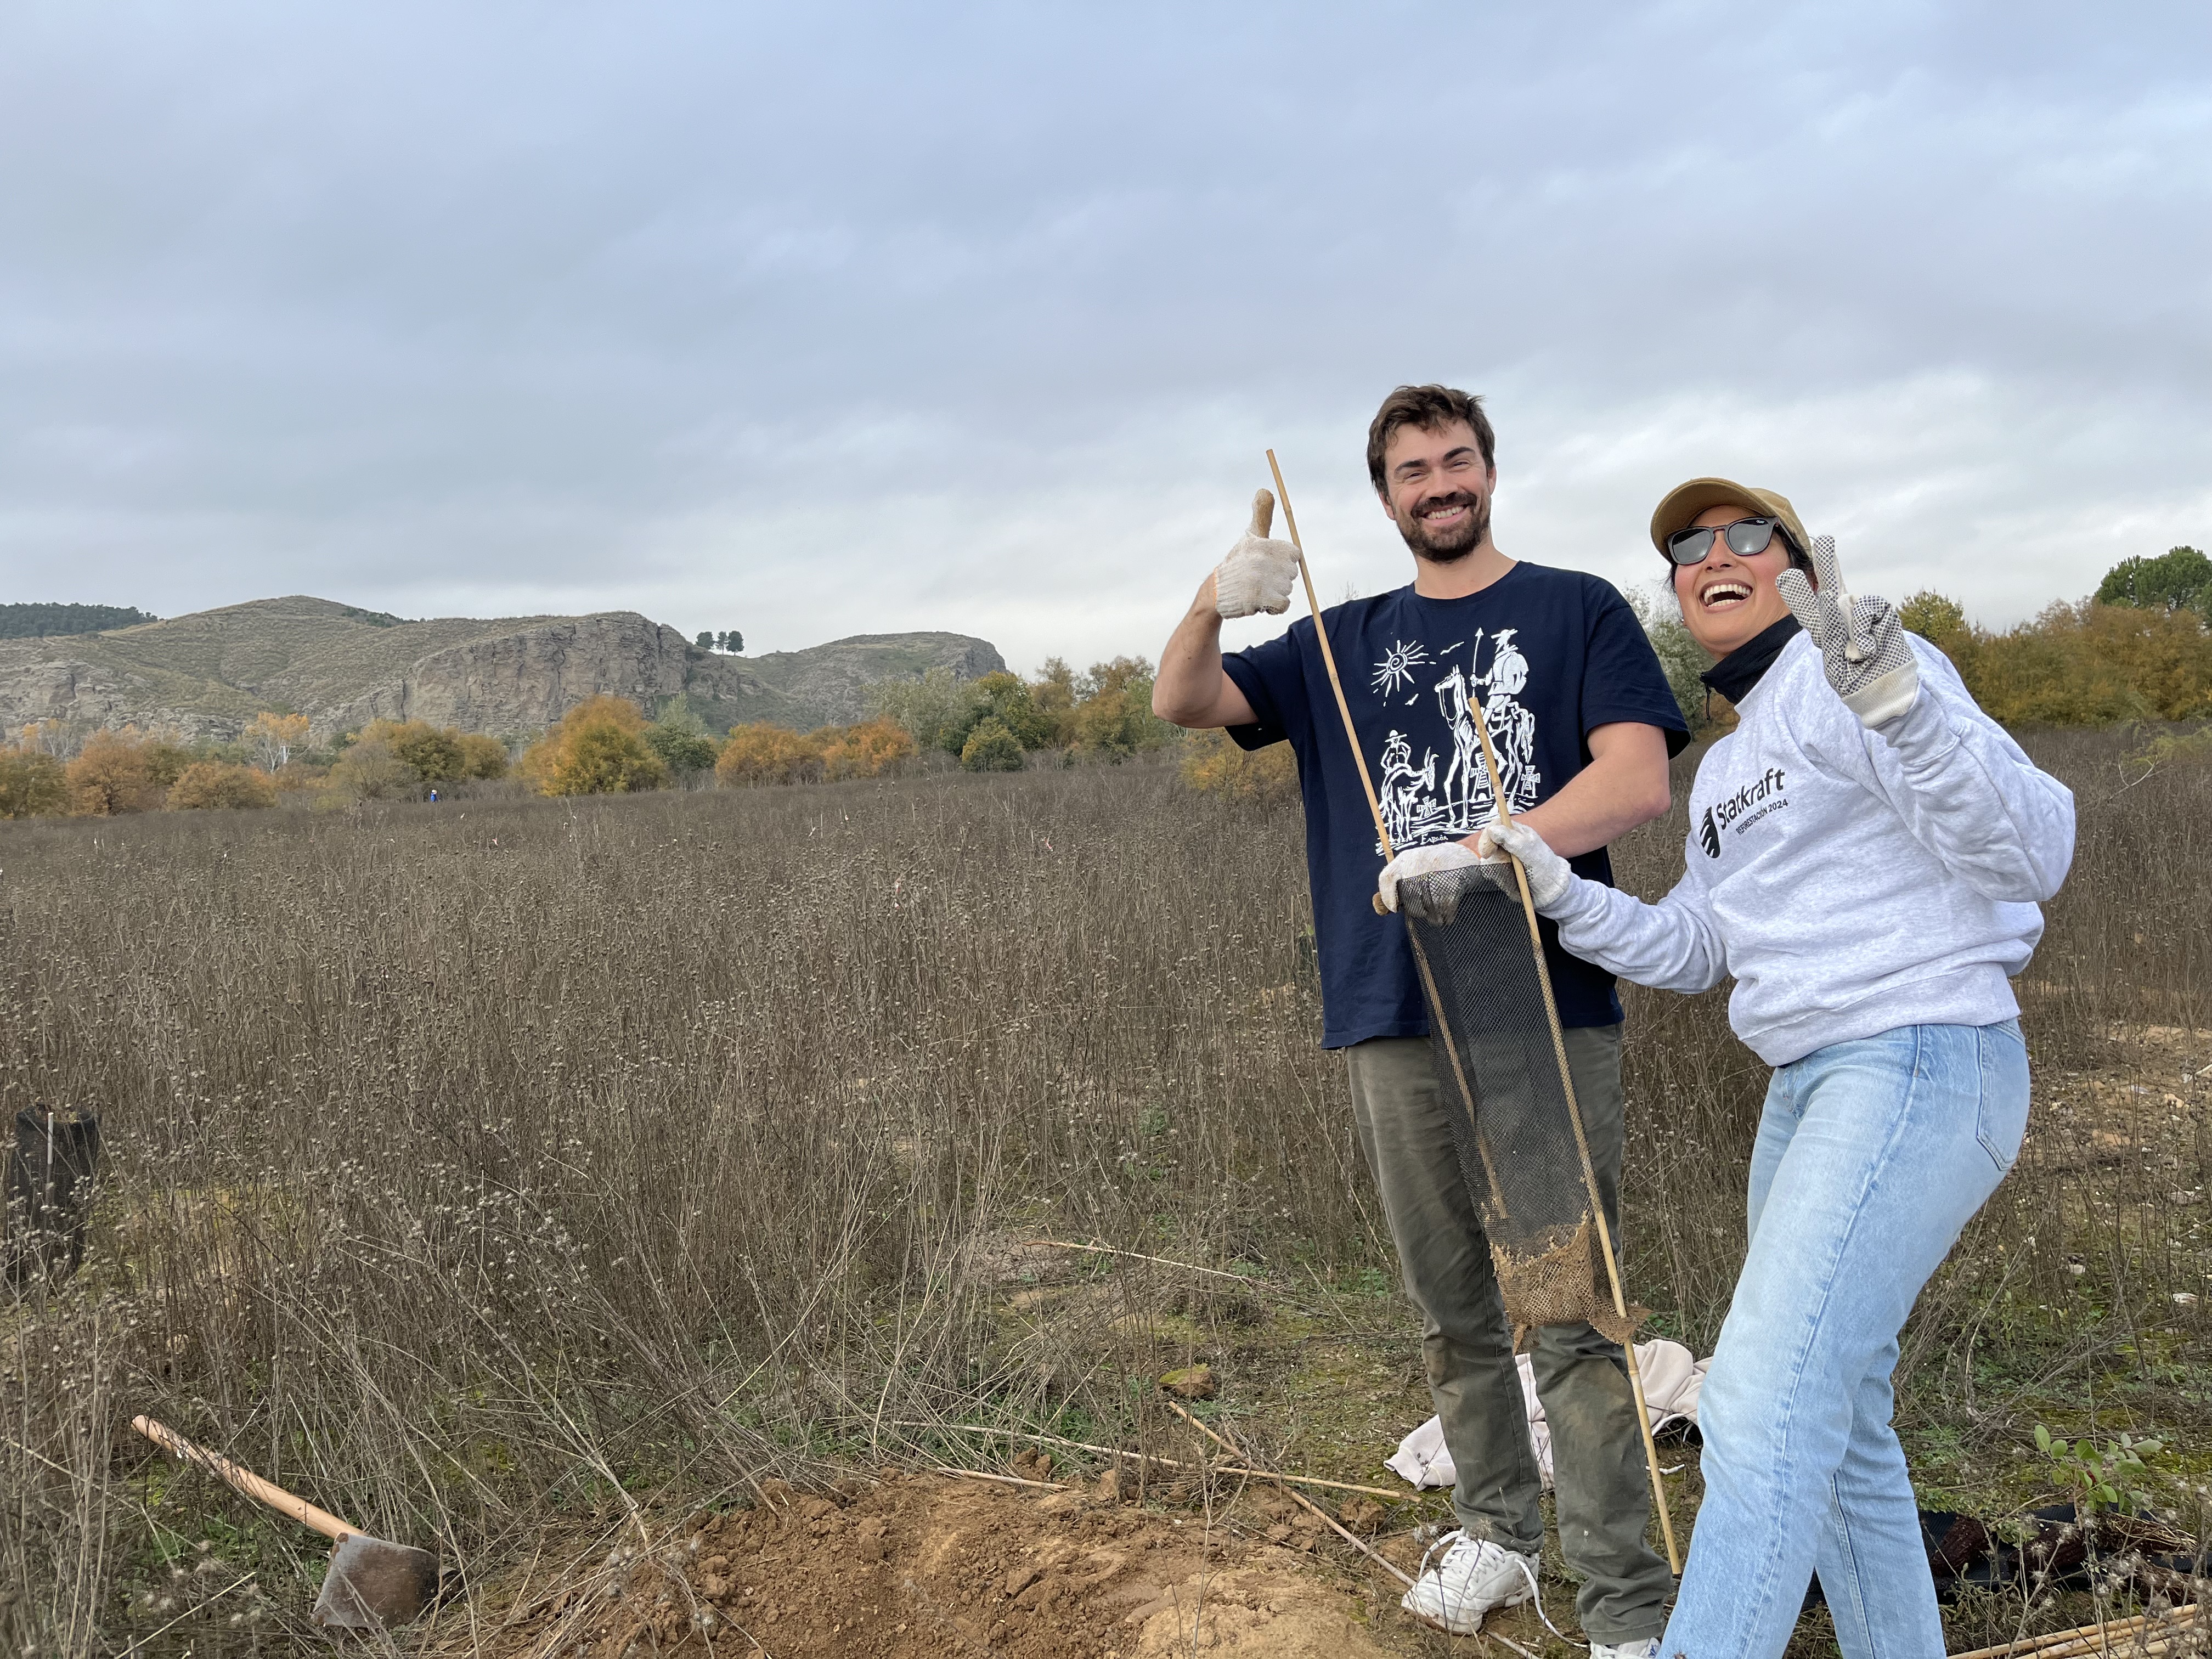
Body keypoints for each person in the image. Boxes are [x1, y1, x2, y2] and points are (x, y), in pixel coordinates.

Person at [1466, 479, 2075, 1655]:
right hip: (1809, 1085)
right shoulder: (1726, 771)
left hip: (1917, 1056)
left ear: (1797, 565)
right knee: (1840, 1431)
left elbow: (2030, 852)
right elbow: (1699, 947)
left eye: (1748, 533)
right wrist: (1558, 890)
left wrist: (1901, 709)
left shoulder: (1861, 676)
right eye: (1688, 547)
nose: (1715, 555)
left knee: (1756, 1406)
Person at [1153, 385, 1689, 1649]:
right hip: (1390, 1008)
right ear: (1386, 496)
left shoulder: (1576, 609)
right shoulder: (1337, 643)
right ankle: (1499, 1532)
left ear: (1489, 473)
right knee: (1452, 1304)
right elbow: (1183, 698)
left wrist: (1495, 845)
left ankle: (1623, 1601)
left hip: (1538, 1003)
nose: (1439, 484)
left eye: (1457, 461)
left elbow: (1636, 780)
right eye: (1413, 470)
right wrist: (1216, 595)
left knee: (1570, 1307)